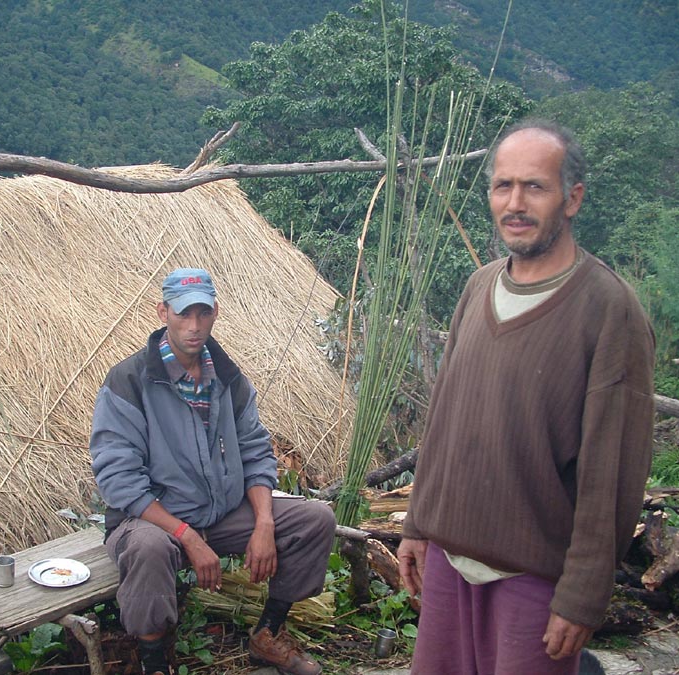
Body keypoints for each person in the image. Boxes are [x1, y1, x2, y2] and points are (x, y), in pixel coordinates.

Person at [397, 119, 655, 674]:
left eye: (534, 186)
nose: (515, 203)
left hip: (532, 582)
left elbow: (611, 473)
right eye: (502, 185)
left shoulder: (609, 311)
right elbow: (443, 420)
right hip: (447, 563)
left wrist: (582, 595)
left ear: (572, 199)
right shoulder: (479, 286)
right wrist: (418, 525)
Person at [90, 267, 336, 675]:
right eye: (184, 314)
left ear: (215, 313)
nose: (194, 326)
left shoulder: (228, 378)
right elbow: (119, 479)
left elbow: (256, 453)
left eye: (203, 314)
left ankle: (268, 634)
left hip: (220, 512)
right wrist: (186, 536)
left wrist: (263, 524)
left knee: (315, 519)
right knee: (147, 550)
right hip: (154, 520)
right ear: (162, 312)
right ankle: (154, 660)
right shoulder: (130, 380)